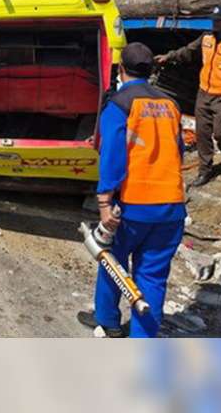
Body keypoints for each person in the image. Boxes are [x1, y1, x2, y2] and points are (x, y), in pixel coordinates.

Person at [77, 42, 186, 338]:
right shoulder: (171, 104)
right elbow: (178, 152)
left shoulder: (120, 104)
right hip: (171, 207)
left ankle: (108, 320)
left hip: (132, 206)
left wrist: (104, 202)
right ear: (150, 71)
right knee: (152, 278)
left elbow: (112, 155)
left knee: (111, 260)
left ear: (121, 69)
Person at [154, 5, 221, 187]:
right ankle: (205, 170)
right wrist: (168, 56)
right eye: (213, 20)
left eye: (218, 21)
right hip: (204, 93)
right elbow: (187, 51)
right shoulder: (206, 38)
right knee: (202, 134)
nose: (214, 23)